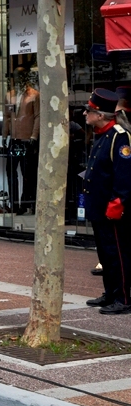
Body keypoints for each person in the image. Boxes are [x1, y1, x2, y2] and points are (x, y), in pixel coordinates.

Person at [80, 89, 131, 315]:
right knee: (104, 254)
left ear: (100, 115)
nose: (85, 113)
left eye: (89, 111)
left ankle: (123, 298)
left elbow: (124, 174)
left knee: (117, 253)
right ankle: (110, 293)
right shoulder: (102, 134)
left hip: (112, 208)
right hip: (98, 206)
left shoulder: (120, 137)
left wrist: (117, 203)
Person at [3, 68, 39, 215]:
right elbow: (7, 117)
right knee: (11, 171)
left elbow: (38, 116)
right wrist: (5, 135)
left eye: (21, 76)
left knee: (27, 173)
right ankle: (14, 203)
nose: (18, 79)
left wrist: (34, 136)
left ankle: (25, 202)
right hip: (15, 138)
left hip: (27, 139)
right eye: (16, 76)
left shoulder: (34, 95)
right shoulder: (9, 95)